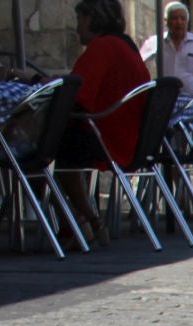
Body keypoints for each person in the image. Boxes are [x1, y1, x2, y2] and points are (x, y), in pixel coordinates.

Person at [54, 0, 151, 245]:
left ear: (91, 19)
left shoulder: (102, 47)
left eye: (79, 20)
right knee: (59, 142)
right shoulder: (126, 47)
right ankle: (80, 224)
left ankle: (81, 223)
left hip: (106, 138)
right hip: (130, 137)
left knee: (40, 150)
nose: (76, 29)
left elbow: (76, 96)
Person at [139, 2, 193, 97]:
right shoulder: (155, 42)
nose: (179, 22)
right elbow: (138, 63)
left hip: (191, 98)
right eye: (174, 18)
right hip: (164, 97)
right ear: (166, 21)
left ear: (187, 22)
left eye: (183, 19)